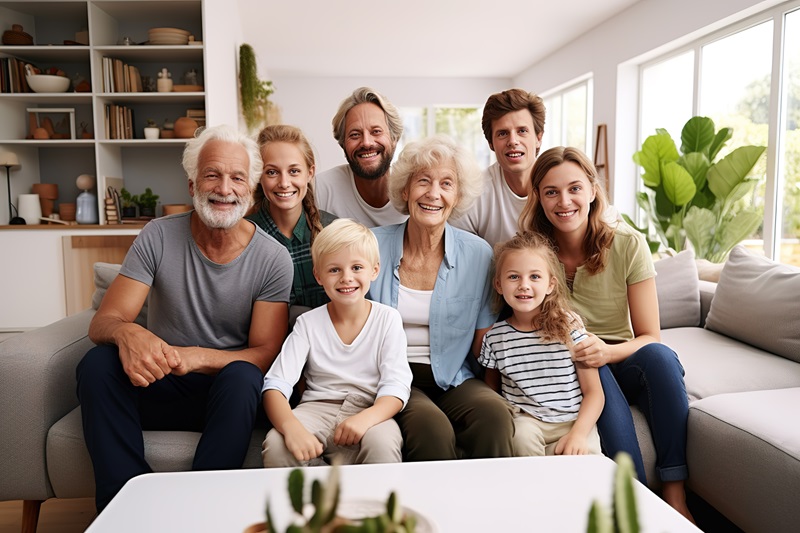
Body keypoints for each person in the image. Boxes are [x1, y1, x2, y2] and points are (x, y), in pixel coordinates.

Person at [76, 124, 293, 512]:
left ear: (251, 188)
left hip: (225, 395)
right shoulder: (157, 236)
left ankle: (204, 511)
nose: (224, 188)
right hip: (159, 381)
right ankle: (128, 509)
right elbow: (103, 321)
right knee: (98, 364)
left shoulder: (272, 258)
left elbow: (265, 352)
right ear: (192, 184)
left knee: (244, 377)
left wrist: (199, 356)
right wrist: (127, 334)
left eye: (237, 178)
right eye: (212, 175)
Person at [519, 146, 694, 522]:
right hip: (571, 364)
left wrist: (609, 352)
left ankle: (676, 495)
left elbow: (650, 336)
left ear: (593, 190)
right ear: (538, 198)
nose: (564, 201)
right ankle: (639, 506)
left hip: (623, 357)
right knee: (589, 363)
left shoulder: (628, 244)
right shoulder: (531, 253)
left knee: (661, 358)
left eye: (574, 188)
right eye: (551, 192)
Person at [369, 134, 514, 461]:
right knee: (432, 429)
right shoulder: (371, 246)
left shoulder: (479, 254)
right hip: (393, 376)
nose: (433, 194)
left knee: (495, 415)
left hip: (454, 375)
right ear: (405, 190)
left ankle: (494, 507)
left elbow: (483, 342)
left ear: (457, 195)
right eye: (423, 182)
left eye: (446, 184)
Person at [262, 218, 412, 466]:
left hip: (369, 411)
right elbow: (276, 385)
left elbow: (396, 387)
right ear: (318, 275)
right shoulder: (307, 324)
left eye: (356, 268)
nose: (346, 278)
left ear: (374, 270)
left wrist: (366, 419)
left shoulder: (388, 319)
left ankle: (375, 505)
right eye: (334, 270)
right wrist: (291, 428)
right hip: (315, 410)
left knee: (382, 444)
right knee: (277, 444)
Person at [479, 231, 604, 457]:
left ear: (550, 284)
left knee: (590, 467)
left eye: (535, 277)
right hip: (528, 422)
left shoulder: (570, 326)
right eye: (513, 277)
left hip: (573, 422)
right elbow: (492, 393)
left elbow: (594, 393)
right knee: (521, 437)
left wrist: (577, 434)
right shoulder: (495, 338)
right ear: (498, 285)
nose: (524, 285)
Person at [247, 124, 337, 310]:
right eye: (272, 172)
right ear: (258, 176)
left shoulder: (334, 231)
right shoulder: (245, 235)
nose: (284, 183)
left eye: (294, 171)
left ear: (309, 173)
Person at [451, 88, 545, 246]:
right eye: (502, 133)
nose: (513, 141)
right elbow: (458, 253)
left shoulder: (558, 185)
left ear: (538, 138)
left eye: (522, 131)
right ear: (491, 143)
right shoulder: (475, 191)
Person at [315, 87, 408, 227]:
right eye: (355, 134)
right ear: (343, 144)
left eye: (376, 131)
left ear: (394, 139)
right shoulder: (321, 189)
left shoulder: (413, 191)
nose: (366, 142)